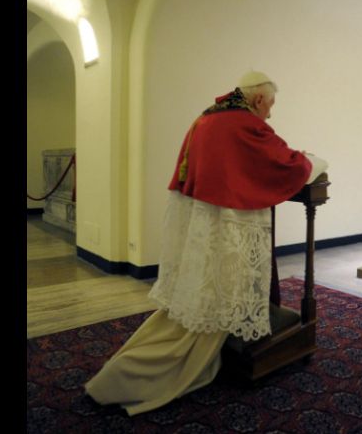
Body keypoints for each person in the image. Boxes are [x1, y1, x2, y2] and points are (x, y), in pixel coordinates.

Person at [85, 71, 328, 415]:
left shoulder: (207, 118)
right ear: (259, 99)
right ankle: (134, 375)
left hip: (203, 225)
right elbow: (287, 163)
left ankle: (124, 370)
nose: (270, 113)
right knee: (220, 296)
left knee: (198, 296)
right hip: (229, 227)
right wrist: (316, 160)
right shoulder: (245, 124)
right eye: (270, 105)